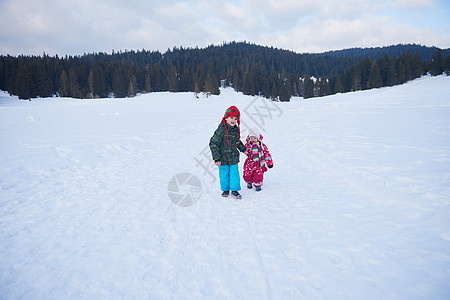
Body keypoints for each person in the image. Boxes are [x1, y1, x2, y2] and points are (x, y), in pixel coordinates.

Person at [209, 106, 247, 199]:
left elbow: (237, 141)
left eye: (235, 119)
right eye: (231, 118)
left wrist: (244, 149)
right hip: (223, 158)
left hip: (233, 157)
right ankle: (225, 190)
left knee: (234, 174)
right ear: (226, 118)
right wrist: (216, 158)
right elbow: (213, 143)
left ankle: (234, 190)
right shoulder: (221, 130)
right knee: (224, 174)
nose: (233, 120)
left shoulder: (235, 130)